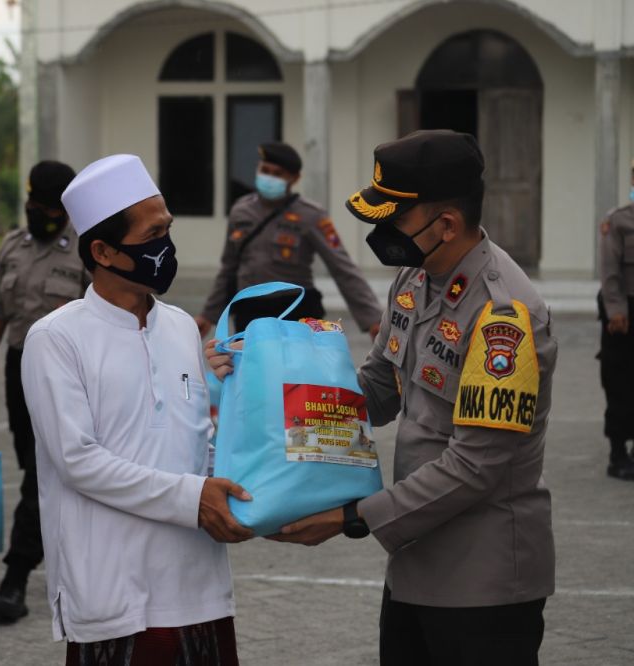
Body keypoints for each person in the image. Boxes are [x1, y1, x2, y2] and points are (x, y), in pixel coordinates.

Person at [207, 130, 557, 666]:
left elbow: (474, 467)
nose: (380, 231)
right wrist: (272, 370)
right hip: (415, 567)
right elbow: (375, 392)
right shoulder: (414, 278)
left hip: (483, 582)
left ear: (447, 224)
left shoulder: (503, 317)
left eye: (394, 220)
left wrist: (353, 516)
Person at [21, 154, 253, 664]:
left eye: (166, 229)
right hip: (114, 595)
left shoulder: (181, 329)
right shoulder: (56, 339)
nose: (165, 247)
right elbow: (78, 461)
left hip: (200, 590)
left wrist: (254, 488)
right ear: (102, 250)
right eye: (153, 234)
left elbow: (200, 444)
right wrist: (195, 497)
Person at [0, 160, 86, 620]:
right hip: (19, 370)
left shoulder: (88, 250)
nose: (40, 215)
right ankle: (65, 559)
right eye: (34, 206)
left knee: (41, 471)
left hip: (72, 377)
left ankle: (16, 575)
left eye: (50, 209)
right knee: (35, 465)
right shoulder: (13, 246)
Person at [195, 141, 382, 339]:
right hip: (249, 311)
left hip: (295, 310)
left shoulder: (312, 215)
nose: (269, 177)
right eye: (265, 170)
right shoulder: (241, 211)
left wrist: (373, 320)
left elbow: (343, 268)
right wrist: (208, 315)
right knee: (252, 368)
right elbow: (228, 269)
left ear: (294, 178)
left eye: (277, 174)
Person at [597, 159, 634, 481]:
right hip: (625, 312)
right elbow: (610, 272)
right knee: (621, 382)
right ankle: (618, 453)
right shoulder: (619, 221)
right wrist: (616, 310)